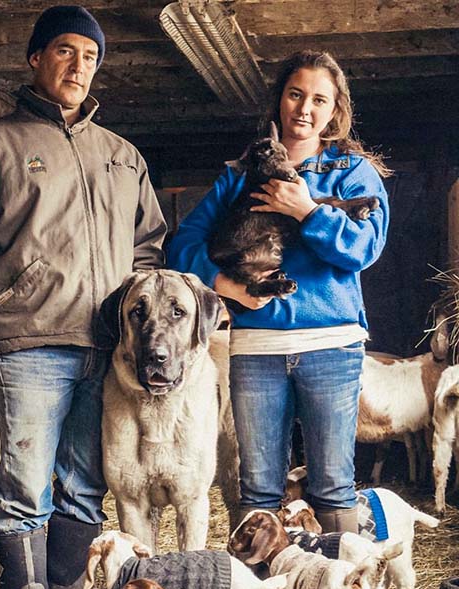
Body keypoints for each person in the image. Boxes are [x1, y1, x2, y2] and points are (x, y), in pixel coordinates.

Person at [0, 5, 166, 589]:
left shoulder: (122, 157)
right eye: (65, 50)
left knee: (85, 489)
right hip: (27, 344)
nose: (78, 65)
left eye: (90, 56)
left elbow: (148, 251)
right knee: (25, 488)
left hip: (108, 352)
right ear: (36, 58)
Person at [167, 50, 390, 533]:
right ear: (280, 101)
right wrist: (226, 286)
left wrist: (307, 211)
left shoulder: (353, 174)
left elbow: (363, 249)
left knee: (332, 484)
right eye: (295, 94)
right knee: (259, 488)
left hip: (331, 345)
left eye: (318, 99)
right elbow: (182, 243)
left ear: (334, 111)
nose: (304, 109)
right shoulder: (241, 173)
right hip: (258, 347)